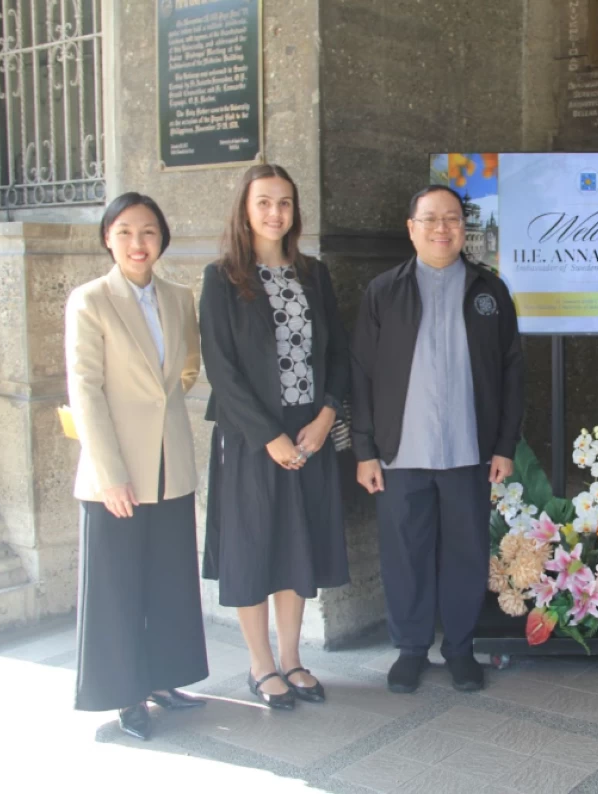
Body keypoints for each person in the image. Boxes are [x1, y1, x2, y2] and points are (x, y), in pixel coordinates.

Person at [351, 185, 524, 695]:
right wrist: (364, 450)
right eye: (430, 219)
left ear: (463, 228)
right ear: (412, 228)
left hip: (470, 451)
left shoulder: (489, 290)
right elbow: (360, 373)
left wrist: (505, 445)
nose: (441, 228)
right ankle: (409, 649)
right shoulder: (383, 291)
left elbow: (513, 371)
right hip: (400, 451)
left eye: (451, 219)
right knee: (405, 552)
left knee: (467, 552)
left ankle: (460, 650)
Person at [199, 164, 351, 710]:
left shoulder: (315, 274)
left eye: (284, 202)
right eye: (264, 202)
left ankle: (291, 657)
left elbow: (337, 353)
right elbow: (221, 368)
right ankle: (260, 664)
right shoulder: (222, 278)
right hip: (250, 437)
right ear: (245, 208)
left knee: (296, 543)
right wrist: (269, 436)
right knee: (254, 545)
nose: (274, 213)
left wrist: (327, 414)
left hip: (309, 431)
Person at [66, 192, 208, 740]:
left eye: (148, 232)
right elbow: (85, 391)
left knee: (169, 579)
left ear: (162, 239)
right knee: (118, 586)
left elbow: (188, 366)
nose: (137, 243)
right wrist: (110, 474)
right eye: (124, 231)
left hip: (170, 463)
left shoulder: (177, 296)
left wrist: (163, 401)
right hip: (116, 472)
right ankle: (125, 694)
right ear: (108, 237)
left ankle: (166, 678)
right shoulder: (90, 300)